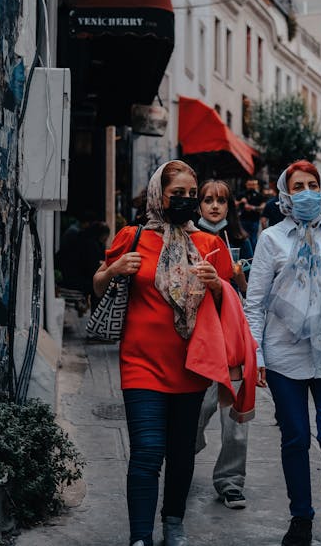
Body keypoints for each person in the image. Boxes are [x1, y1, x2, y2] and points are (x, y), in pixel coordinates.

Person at [92, 160, 257, 546]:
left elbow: (227, 307)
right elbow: (97, 288)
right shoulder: (132, 237)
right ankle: (140, 536)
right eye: (176, 194)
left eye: (190, 195)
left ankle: (174, 523)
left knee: (181, 453)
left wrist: (219, 286)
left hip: (190, 366)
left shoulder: (209, 244)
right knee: (147, 451)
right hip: (141, 364)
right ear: (157, 196)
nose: (184, 201)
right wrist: (114, 269)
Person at [245, 159, 321, 546]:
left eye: (313, 184)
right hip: (284, 357)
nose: (308, 192)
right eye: (299, 186)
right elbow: (255, 301)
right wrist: (257, 355)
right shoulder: (271, 239)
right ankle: (301, 518)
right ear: (286, 194)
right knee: (295, 438)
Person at [195, 179, 253, 509]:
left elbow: (251, 292)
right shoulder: (188, 239)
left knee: (234, 419)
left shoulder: (240, 241)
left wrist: (238, 275)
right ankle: (183, 456)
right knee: (197, 411)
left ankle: (231, 481)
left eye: (220, 201)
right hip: (200, 342)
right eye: (207, 200)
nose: (214, 206)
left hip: (230, 339)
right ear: (199, 205)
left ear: (229, 207)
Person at [236, 178, 265, 250]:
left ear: (256, 185)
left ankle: (253, 257)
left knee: (253, 239)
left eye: (253, 184)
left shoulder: (259, 195)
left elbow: (263, 207)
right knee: (243, 239)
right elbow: (233, 204)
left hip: (254, 220)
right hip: (243, 220)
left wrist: (253, 208)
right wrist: (241, 202)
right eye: (250, 184)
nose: (251, 186)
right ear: (246, 185)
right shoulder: (241, 194)